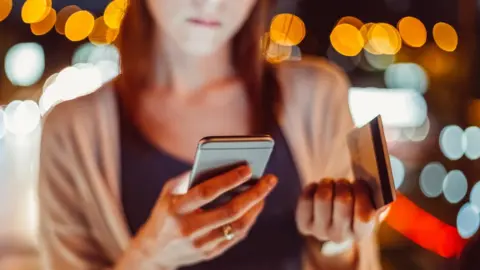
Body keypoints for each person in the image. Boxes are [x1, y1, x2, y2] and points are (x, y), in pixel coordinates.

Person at [38, 0, 383, 269]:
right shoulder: (72, 132)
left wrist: (338, 240)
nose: (210, 4)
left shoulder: (319, 97)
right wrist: (149, 256)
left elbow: (353, 257)